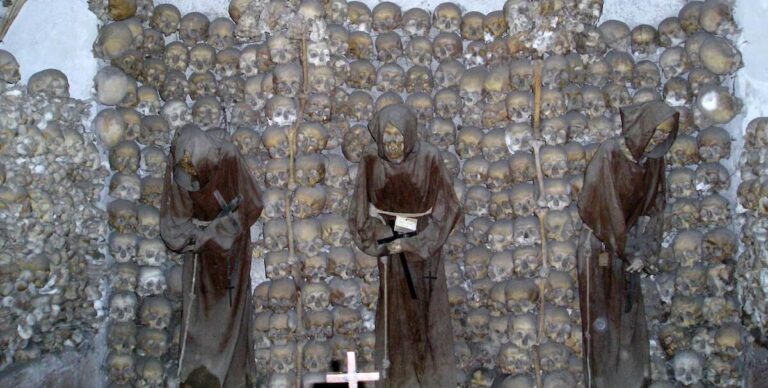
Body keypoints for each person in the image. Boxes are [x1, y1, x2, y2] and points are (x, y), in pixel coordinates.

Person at [348, 104, 462, 387]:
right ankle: (400, 380)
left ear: (410, 136)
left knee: (427, 314)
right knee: (396, 319)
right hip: (391, 249)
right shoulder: (371, 161)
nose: (394, 146)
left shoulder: (429, 158)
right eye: (387, 140)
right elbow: (361, 212)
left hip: (425, 251)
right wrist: (385, 239)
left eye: (399, 138)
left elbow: (448, 208)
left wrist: (414, 244)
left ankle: (431, 379)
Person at [576, 101, 679, 388]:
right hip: (599, 247)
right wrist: (627, 249)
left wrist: (645, 250)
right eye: (655, 133)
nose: (658, 141)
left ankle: (631, 381)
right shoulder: (609, 154)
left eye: (665, 136)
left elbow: (657, 207)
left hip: (630, 246)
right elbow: (597, 207)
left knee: (629, 316)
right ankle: (602, 381)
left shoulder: (654, 160)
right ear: (643, 127)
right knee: (600, 320)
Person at [160, 124, 263, 388]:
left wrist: (221, 231)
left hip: (232, 254)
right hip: (200, 255)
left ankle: (234, 378)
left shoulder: (227, 156)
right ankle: (201, 378)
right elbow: (176, 221)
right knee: (199, 319)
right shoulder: (179, 160)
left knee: (231, 313)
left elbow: (251, 204)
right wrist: (198, 236)